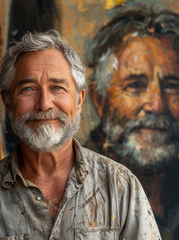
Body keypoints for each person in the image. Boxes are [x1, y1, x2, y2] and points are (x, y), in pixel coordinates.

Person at [0, 30, 161, 239]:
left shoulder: (121, 187)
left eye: (57, 87)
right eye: (28, 89)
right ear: (8, 102)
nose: (44, 104)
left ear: (79, 101)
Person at [86, 7, 179, 239]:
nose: (157, 105)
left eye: (172, 85)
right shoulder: (70, 186)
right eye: (135, 86)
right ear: (99, 99)